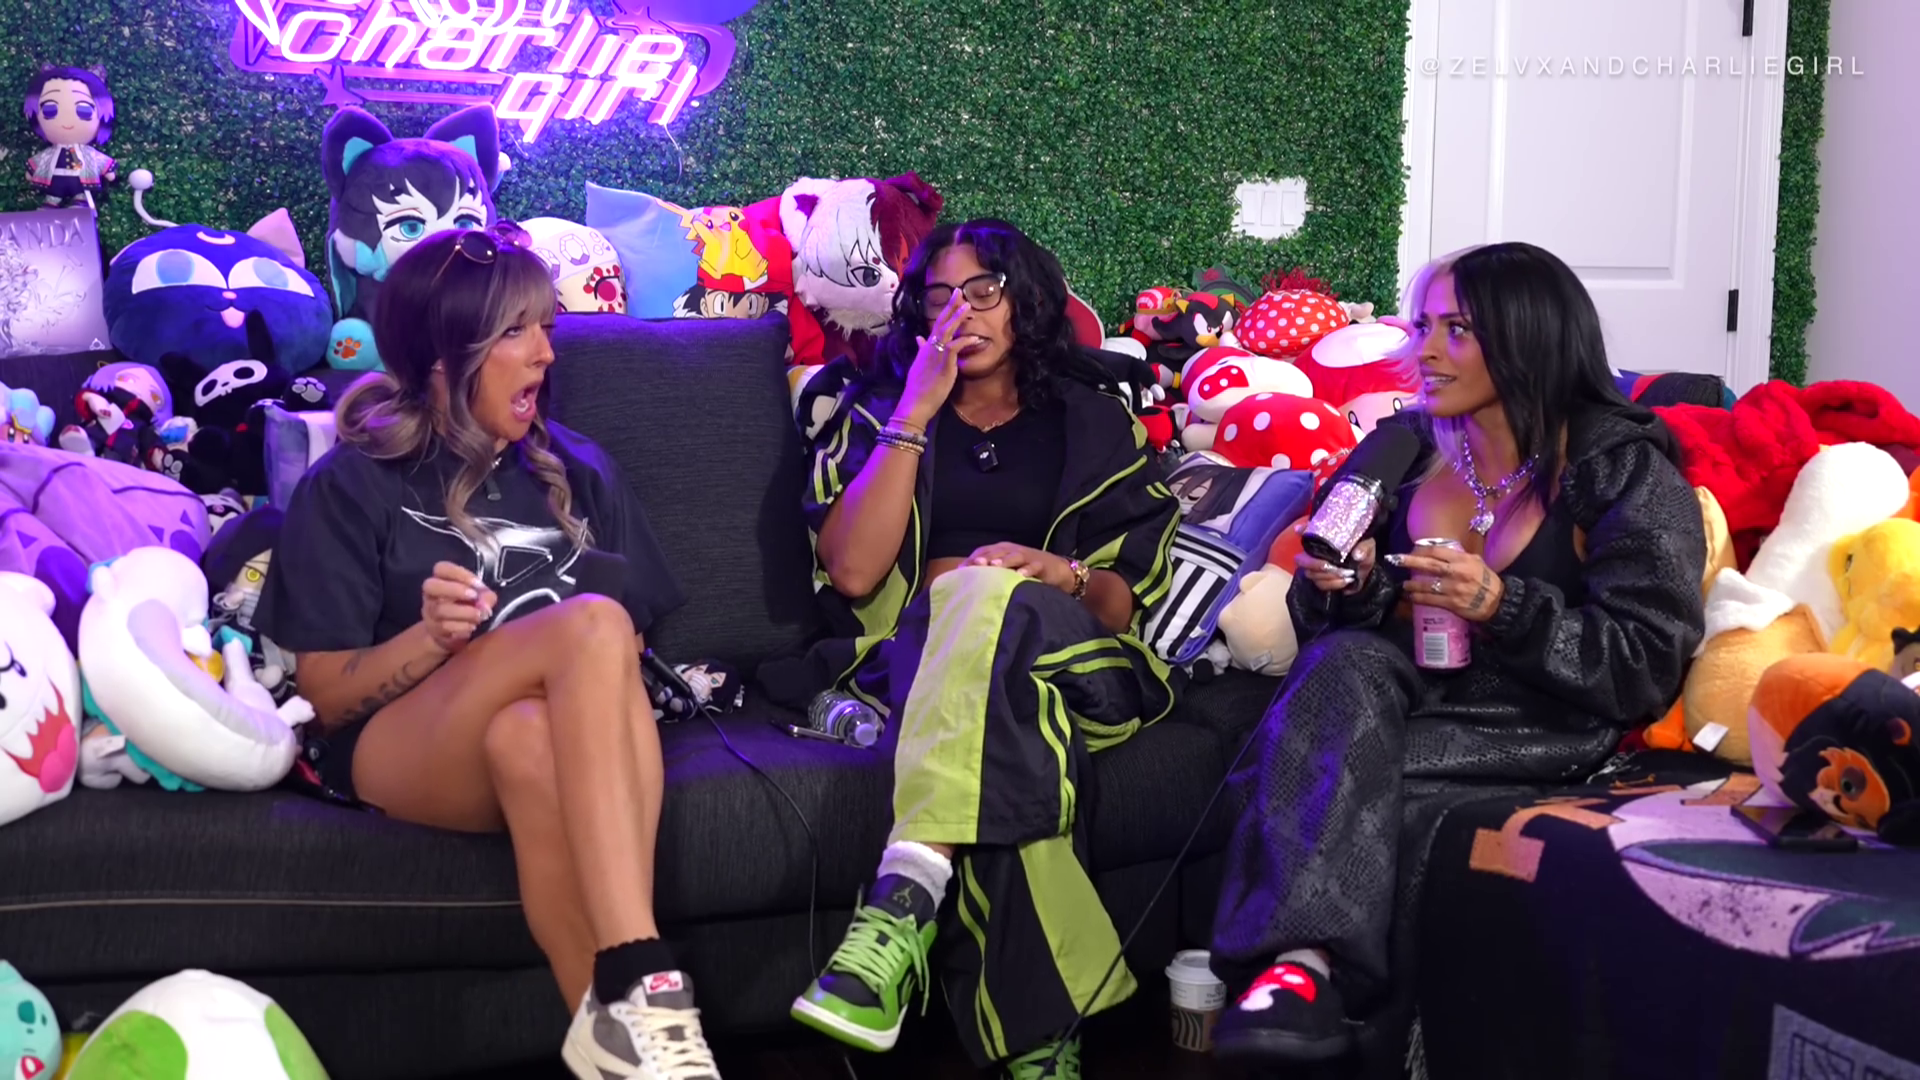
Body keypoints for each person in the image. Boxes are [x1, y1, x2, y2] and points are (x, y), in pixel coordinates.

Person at [1207, 242, 1707, 1066]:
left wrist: (1502, 605)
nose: (1425, 352)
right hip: (1394, 704)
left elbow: (1645, 666)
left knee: (1313, 780)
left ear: (1531, 338)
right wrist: (1351, 584)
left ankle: (1340, 1018)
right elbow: (1322, 622)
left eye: (1458, 330)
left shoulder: (1622, 472)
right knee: (1344, 667)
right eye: (1422, 326)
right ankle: (1300, 969)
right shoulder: (1400, 450)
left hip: (1538, 725)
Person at [253, 224, 720, 1080]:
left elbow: (625, 671)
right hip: (398, 748)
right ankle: (643, 962)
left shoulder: (582, 469)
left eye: (545, 327)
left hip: (529, 743)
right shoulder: (351, 484)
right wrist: (431, 638)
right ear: (443, 356)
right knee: (593, 624)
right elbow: (323, 699)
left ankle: (635, 1061)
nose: (546, 352)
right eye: (516, 332)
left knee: (527, 736)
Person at [782, 220, 1180, 1079]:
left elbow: (1120, 604)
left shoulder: (1091, 421)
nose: (960, 313)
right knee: (1002, 733)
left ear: (1024, 301)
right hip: (923, 669)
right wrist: (914, 414)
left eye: (982, 292)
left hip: (1076, 661)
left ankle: (907, 890)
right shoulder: (877, 410)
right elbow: (853, 572)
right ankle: (1040, 1049)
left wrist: (1060, 574)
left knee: (980, 593)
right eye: (939, 298)